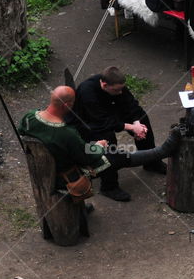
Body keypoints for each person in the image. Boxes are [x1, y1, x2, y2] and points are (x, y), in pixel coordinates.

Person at [19, 86, 180, 200]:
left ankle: (152, 157)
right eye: (73, 103)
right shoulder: (66, 133)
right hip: (65, 173)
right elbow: (86, 157)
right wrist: (98, 146)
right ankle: (161, 152)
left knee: (106, 147)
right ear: (67, 105)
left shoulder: (30, 117)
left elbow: (22, 131)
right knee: (113, 156)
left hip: (45, 162)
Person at [69, 68, 165, 202]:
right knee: (107, 139)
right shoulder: (87, 92)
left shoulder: (116, 84)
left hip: (108, 113)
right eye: (116, 90)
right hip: (88, 123)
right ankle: (109, 186)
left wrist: (137, 124)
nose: (120, 92)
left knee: (142, 119)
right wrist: (132, 127)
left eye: (121, 89)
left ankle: (151, 162)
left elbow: (131, 104)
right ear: (104, 85)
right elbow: (101, 121)